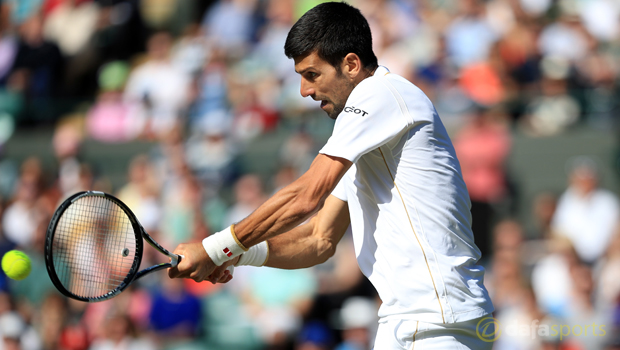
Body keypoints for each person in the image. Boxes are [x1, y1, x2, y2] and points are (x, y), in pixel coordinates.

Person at [168, 2, 494, 349]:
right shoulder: (370, 136)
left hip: (437, 323)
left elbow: (306, 195)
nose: (304, 91)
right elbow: (318, 240)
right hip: (410, 323)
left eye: (312, 74)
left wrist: (215, 248)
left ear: (351, 64)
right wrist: (235, 255)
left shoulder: (379, 93)